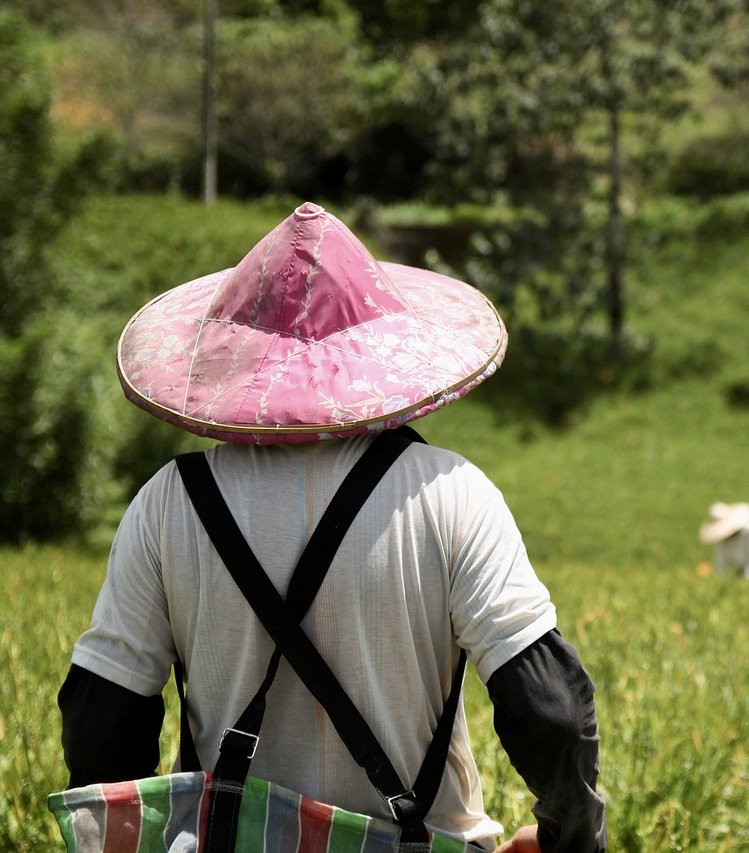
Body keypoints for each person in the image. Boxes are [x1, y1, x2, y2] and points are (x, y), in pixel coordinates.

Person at [56, 203, 606, 853]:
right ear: (381, 354)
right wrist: (568, 839)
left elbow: (101, 724)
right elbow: (552, 712)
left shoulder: (169, 502)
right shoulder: (449, 493)